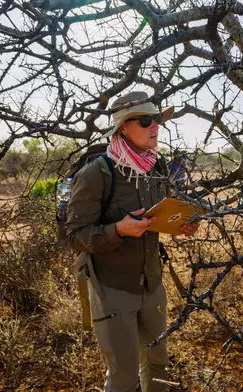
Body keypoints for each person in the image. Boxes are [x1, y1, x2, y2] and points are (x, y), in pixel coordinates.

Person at [66, 91, 199, 392]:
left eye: (157, 120)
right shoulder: (96, 174)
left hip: (152, 285)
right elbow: (75, 237)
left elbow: (157, 216)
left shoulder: (156, 167)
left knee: (158, 364)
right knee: (123, 375)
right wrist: (119, 231)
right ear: (123, 128)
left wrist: (181, 225)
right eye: (145, 120)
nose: (155, 126)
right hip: (112, 289)